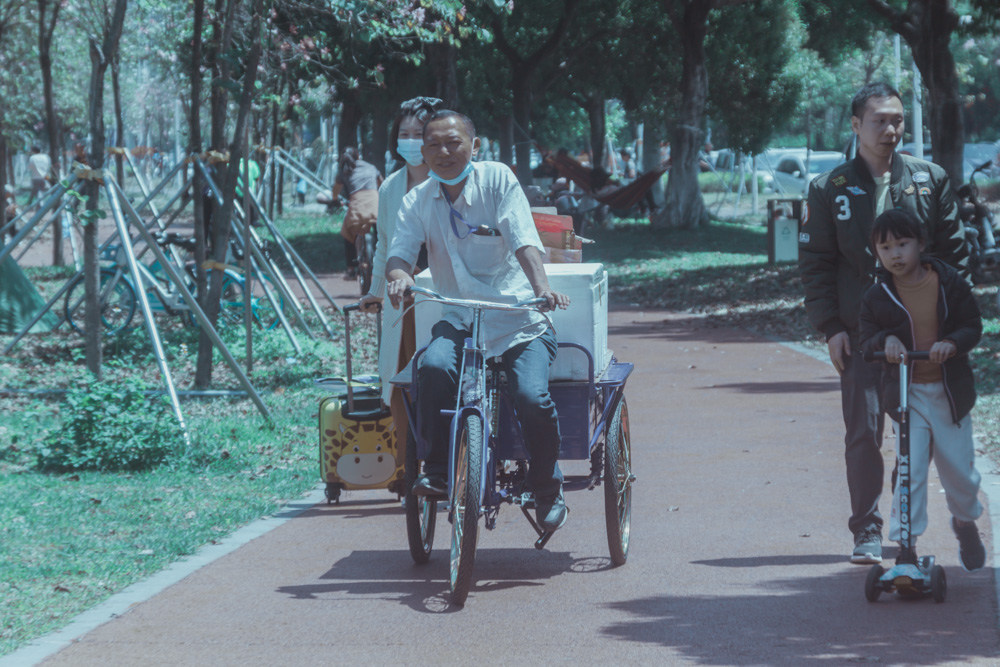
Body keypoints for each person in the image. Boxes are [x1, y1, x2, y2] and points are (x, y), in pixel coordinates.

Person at [799, 81, 969, 565]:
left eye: (897, 120)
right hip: (861, 334)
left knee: (918, 431)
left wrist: (952, 325)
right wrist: (830, 326)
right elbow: (815, 263)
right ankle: (866, 530)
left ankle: (903, 526)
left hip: (924, 334)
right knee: (864, 432)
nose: (891, 129)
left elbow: (954, 254)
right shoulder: (827, 189)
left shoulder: (929, 179)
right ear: (856, 126)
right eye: (880, 120)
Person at [384, 110, 571, 532]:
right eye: (433, 145)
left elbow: (524, 238)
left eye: (453, 142)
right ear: (422, 152)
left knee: (531, 396)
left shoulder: (497, 179)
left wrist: (541, 288)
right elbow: (399, 256)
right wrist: (397, 278)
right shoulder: (418, 200)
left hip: (517, 318)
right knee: (431, 367)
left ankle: (546, 486)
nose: (444, 152)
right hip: (460, 316)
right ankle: (435, 468)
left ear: (475, 145)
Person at [858, 209, 985, 571]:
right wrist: (888, 340)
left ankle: (964, 522)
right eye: (885, 247)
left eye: (903, 244)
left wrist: (952, 343)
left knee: (959, 472)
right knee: (909, 470)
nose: (895, 254)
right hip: (907, 394)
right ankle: (906, 548)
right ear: (876, 253)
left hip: (949, 395)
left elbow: (972, 325)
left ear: (921, 244)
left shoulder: (949, 282)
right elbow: (867, 340)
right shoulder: (877, 296)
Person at [359, 95, 443, 463]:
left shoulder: (450, 181)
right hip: (402, 299)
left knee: (440, 376)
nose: (409, 140)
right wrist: (375, 291)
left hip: (445, 299)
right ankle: (411, 468)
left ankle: (449, 460)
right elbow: (385, 245)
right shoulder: (391, 186)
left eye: (417, 133)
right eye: (403, 133)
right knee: (400, 382)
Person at [332, 146, 382, 278]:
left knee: (347, 233)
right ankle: (384, 260)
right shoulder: (371, 167)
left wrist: (335, 200)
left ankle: (350, 269)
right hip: (375, 204)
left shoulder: (343, 171)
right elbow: (382, 183)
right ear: (358, 155)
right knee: (382, 233)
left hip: (357, 207)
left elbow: (335, 192)